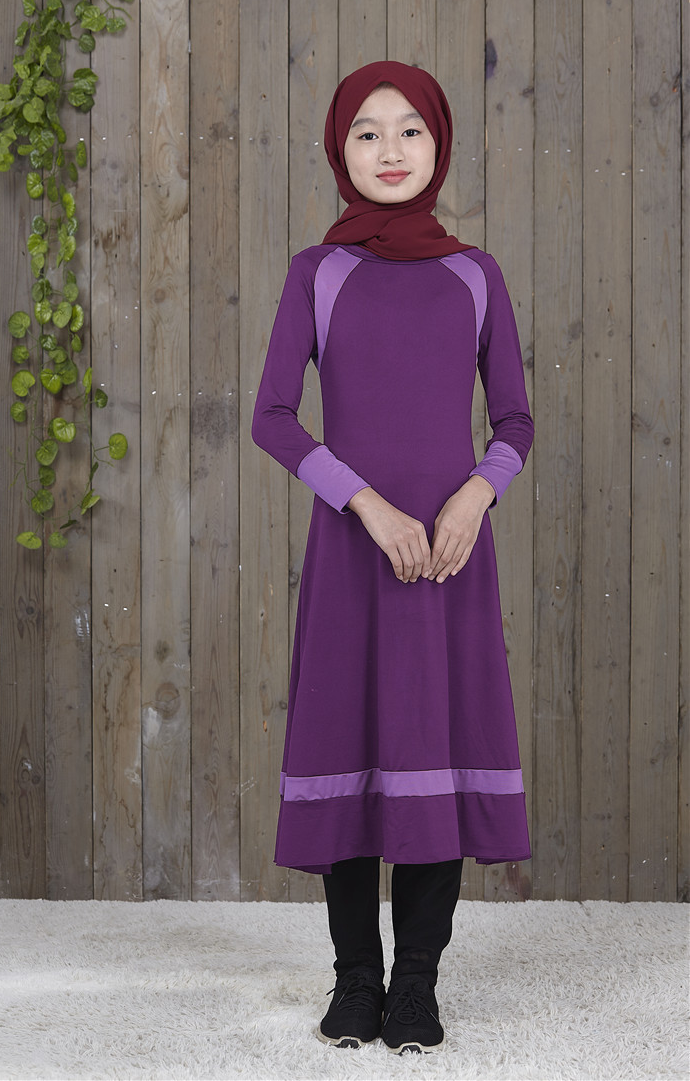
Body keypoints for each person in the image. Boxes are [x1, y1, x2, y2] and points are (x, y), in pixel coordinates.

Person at [251, 60, 533, 1055]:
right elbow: (273, 417)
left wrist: (474, 496)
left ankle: (416, 984)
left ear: (438, 144)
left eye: (410, 129)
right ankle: (355, 980)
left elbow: (514, 421)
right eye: (366, 132)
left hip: (451, 560)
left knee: (434, 758)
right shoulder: (317, 272)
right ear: (340, 150)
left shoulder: (476, 275)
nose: (390, 149)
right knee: (349, 746)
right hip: (352, 552)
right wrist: (364, 503)